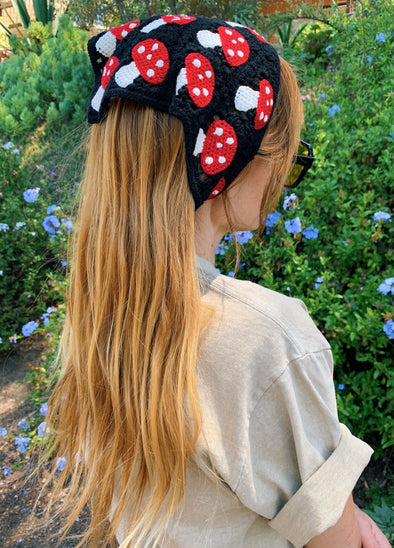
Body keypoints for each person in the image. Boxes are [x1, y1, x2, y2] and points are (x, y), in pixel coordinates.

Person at [43, 14, 390, 548]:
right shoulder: (267, 341)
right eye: (289, 157)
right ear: (230, 154)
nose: (283, 176)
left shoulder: (98, 314)